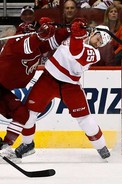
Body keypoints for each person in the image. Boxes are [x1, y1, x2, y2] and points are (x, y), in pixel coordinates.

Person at [12, 19, 112, 160]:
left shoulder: (94, 54)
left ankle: (101, 147)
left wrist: (76, 35)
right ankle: (28, 144)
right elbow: (54, 38)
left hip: (70, 87)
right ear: (93, 33)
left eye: (101, 43)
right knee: (28, 114)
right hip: (48, 79)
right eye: (98, 38)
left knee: (85, 119)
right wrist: (49, 26)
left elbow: (76, 52)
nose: (98, 43)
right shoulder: (77, 35)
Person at [0, 17, 67, 157]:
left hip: (3, 89)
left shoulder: (34, 45)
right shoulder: (13, 44)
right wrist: (42, 33)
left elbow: (51, 42)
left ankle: (5, 144)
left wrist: (66, 30)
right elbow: (28, 44)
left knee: (23, 115)